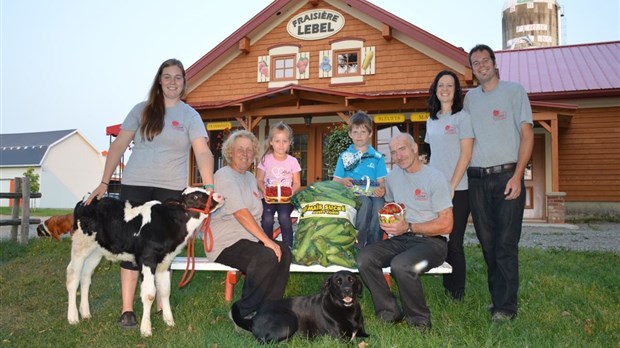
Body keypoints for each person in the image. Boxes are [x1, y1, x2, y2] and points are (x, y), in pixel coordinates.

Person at [85, 58, 215, 329]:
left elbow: (202, 150)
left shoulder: (190, 116)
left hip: (170, 191)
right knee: (133, 245)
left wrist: (209, 185)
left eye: (178, 77)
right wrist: (104, 182)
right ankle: (128, 309)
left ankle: (159, 301)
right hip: (137, 186)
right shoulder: (141, 110)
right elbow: (120, 144)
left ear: (184, 82)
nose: (172, 82)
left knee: (164, 249)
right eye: (167, 77)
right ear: (159, 80)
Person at [463, 44, 533, 323]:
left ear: (494, 63)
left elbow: (527, 136)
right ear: (472, 70)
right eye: (475, 62)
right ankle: (497, 300)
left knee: (506, 243)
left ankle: (507, 307)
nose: (480, 65)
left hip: (507, 177)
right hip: (477, 180)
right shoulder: (469, 100)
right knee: (488, 243)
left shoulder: (514, 91)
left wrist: (518, 175)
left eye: (484, 60)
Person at [356, 133, 453, 334]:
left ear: (414, 148)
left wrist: (409, 227)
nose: (398, 156)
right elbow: (391, 206)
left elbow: (447, 224)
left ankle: (419, 321)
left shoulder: (435, 177)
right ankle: (389, 312)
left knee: (402, 265)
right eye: (393, 152)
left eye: (402, 149)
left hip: (433, 244)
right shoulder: (392, 178)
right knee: (365, 257)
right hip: (401, 238)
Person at [207, 130, 291, 331]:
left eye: (249, 150)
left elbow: (259, 210)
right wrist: (267, 241)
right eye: (240, 149)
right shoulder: (224, 175)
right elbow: (241, 213)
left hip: (247, 239)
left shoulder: (251, 179)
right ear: (230, 152)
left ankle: (270, 310)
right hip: (225, 242)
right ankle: (242, 312)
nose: (245, 154)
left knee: (285, 251)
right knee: (266, 256)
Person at [425, 70, 474, 301]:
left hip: (458, 188)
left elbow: (466, 154)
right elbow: (433, 155)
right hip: (435, 189)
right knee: (438, 238)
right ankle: (447, 286)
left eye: (450, 85)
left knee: (454, 241)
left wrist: (452, 185)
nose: (445, 89)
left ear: (456, 91)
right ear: (435, 90)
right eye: (441, 85)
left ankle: (457, 293)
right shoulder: (431, 119)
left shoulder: (462, 117)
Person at [333, 111, 387, 249]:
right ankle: (359, 243)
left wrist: (381, 188)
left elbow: (381, 180)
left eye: (363, 132)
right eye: (355, 132)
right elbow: (336, 180)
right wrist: (343, 181)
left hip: (373, 191)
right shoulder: (344, 156)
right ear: (350, 134)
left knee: (379, 205)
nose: (359, 135)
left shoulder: (377, 157)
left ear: (370, 134)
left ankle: (375, 245)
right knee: (364, 203)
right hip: (354, 193)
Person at [256, 122, 301, 248]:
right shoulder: (266, 159)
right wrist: (264, 190)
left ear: (289, 142)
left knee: (284, 217)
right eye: (277, 141)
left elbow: (297, 182)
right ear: (271, 142)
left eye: (284, 141)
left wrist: (292, 191)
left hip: (285, 198)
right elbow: (259, 179)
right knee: (267, 218)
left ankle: (287, 247)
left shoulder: (293, 161)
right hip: (269, 197)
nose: (281, 145)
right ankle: (267, 245)